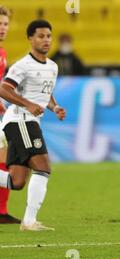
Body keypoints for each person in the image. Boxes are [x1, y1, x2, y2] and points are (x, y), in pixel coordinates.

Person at [0, 19, 66, 231]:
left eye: (48, 36)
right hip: (20, 119)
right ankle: (29, 222)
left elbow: (45, 94)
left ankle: (29, 221)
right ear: (30, 39)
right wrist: (28, 104)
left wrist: (54, 108)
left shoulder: (53, 66)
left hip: (29, 121)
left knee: (16, 181)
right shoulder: (23, 66)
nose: (46, 40)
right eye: (40, 36)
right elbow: (4, 89)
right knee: (43, 167)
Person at [0, 6, 21, 224]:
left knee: (5, 160)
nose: (3, 28)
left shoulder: (3, 53)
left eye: (5, 24)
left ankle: (2, 211)